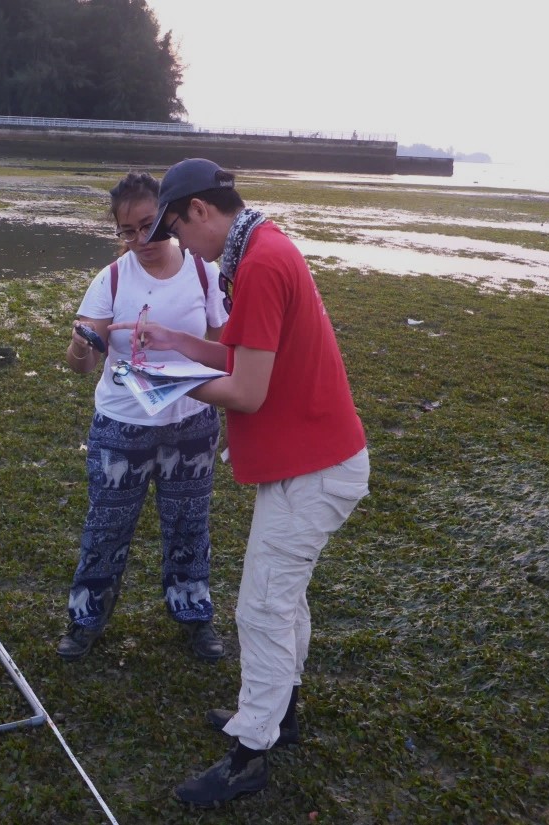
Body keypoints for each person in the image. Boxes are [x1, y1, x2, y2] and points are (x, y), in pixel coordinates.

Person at [116, 158, 370, 807]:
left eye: (174, 229)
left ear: (200, 211)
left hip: (313, 468)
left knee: (260, 606)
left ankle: (249, 754)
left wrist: (160, 382)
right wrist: (175, 341)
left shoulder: (257, 262)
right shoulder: (262, 242)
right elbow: (240, 345)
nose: (178, 246)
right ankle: (280, 711)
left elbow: (247, 392)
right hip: (310, 458)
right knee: (282, 597)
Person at [58, 171, 230, 663]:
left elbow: (223, 348)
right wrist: (79, 344)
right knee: (107, 527)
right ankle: (86, 618)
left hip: (192, 423)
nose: (141, 240)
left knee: (188, 526)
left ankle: (194, 615)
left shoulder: (202, 272)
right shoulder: (110, 279)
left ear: (170, 216)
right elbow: (82, 363)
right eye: (128, 231)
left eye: (150, 225)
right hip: (122, 425)